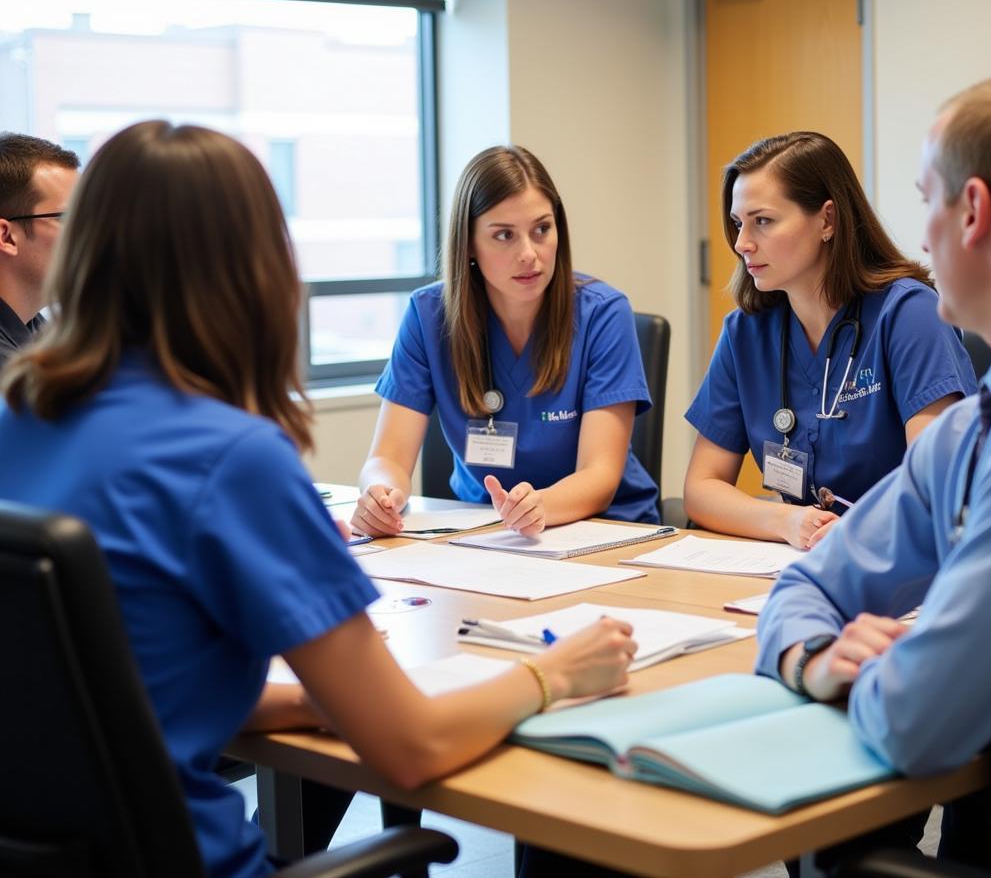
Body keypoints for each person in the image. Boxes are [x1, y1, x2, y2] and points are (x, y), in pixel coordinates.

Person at [0, 121, 637, 878]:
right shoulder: (233, 460)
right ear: (254, 266)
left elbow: (109, 685)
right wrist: (553, 675)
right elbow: (414, 746)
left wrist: (301, 704)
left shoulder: (19, 419)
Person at [756, 71, 991, 875]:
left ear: (972, 211)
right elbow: (803, 588)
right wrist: (817, 657)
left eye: (926, 200)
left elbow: (917, 721)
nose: (922, 236)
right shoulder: (979, 424)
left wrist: (870, 674)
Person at [684, 131, 976, 549]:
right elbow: (701, 487)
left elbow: (935, 477)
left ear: (826, 220)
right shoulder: (745, 333)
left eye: (762, 221)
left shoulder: (909, 314)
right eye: (737, 223)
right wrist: (784, 520)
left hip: (903, 558)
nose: (742, 243)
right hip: (802, 559)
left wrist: (862, 529)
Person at [355, 144, 659, 537]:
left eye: (542, 230)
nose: (529, 254)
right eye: (504, 235)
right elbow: (387, 457)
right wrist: (381, 495)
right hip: (483, 531)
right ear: (469, 245)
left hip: (604, 530)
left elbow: (599, 477)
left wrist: (537, 507)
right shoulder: (429, 315)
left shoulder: (603, 314)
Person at [0, 132, 79, 365]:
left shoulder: (36, 332)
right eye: (71, 218)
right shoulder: (9, 379)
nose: (89, 233)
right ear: (6, 236)